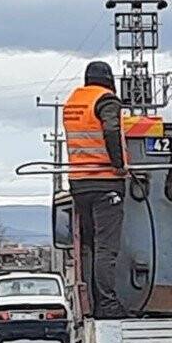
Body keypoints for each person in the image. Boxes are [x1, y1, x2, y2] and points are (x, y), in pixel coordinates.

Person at [63, 61, 128, 319]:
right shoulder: (106, 100)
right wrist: (119, 164)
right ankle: (108, 305)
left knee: (89, 246)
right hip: (105, 181)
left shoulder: (73, 101)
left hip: (79, 183)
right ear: (109, 80)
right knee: (106, 247)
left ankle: (92, 302)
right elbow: (111, 129)